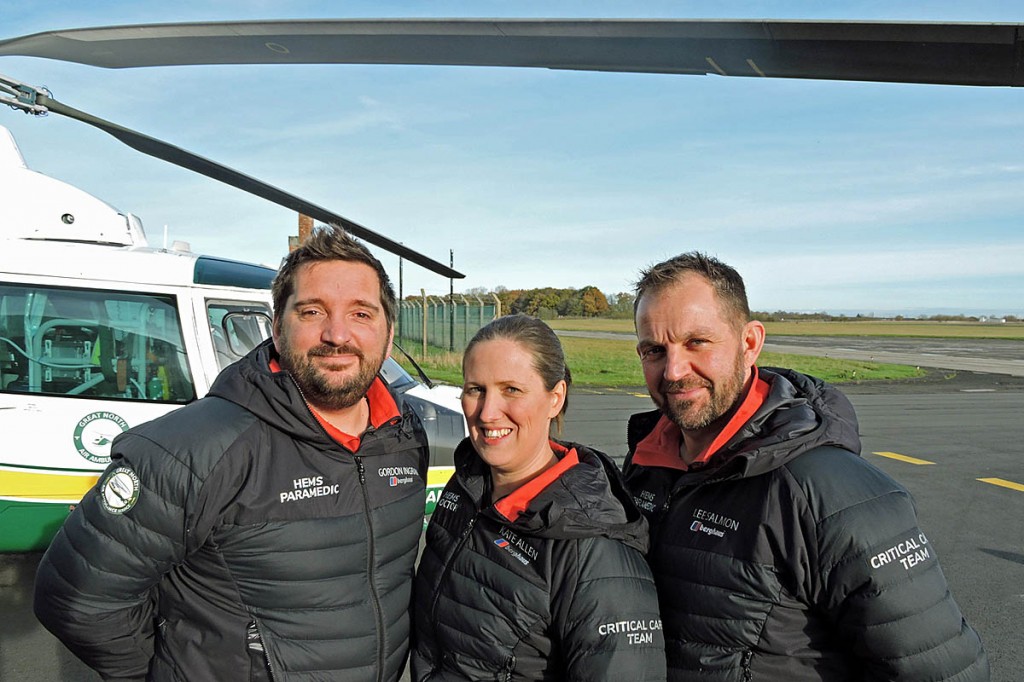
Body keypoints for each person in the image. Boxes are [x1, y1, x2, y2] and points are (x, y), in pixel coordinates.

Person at [34, 226, 429, 681]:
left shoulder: (403, 435)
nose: (337, 334)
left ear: (387, 330)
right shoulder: (193, 449)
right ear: (277, 329)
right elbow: (78, 600)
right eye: (312, 311)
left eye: (361, 313)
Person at [622, 252, 989, 681]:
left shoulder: (838, 497)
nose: (674, 370)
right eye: (654, 350)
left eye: (696, 342)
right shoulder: (643, 470)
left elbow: (939, 672)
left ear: (750, 342)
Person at [411, 314, 666, 681]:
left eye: (511, 390)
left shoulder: (592, 549)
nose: (486, 412)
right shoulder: (466, 486)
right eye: (475, 389)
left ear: (555, 397)